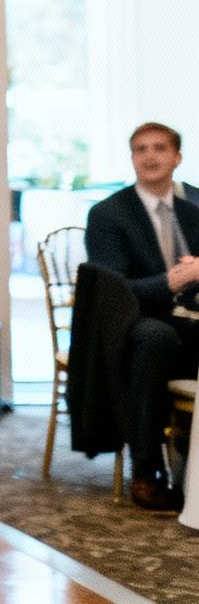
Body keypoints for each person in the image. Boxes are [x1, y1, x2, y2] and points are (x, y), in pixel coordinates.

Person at [85, 121, 199, 512]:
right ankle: (145, 470)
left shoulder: (195, 207)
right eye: (141, 149)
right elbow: (116, 292)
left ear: (177, 157)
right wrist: (174, 278)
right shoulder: (109, 214)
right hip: (135, 323)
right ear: (132, 158)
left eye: (159, 148)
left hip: (192, 315)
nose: (150, 156)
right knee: (156, 338)